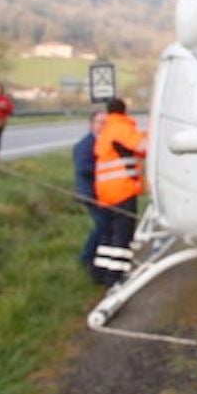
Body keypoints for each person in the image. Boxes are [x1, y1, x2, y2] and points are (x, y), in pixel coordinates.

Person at [93, 98, 147, 285]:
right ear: (125, 111)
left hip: (105, 193)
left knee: (107, 235)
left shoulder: (106, 130)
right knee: (122, 236)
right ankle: (115, 277)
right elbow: (143, 146)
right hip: (122, 190)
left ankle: (100, 273)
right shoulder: (121, 127)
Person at [74, 110, 108, 282]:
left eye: (106, 122)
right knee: (101, 224)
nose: (103, 126)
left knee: (104, 225)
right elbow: (82, 168)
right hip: (89, 193)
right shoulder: (85, 144)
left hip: (102, 193)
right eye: (100, 122)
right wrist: (104, 168)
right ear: (92, 124)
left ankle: (96, 257)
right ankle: (87, 257)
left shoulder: (104, 143)